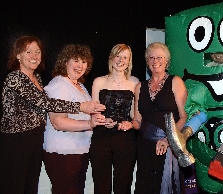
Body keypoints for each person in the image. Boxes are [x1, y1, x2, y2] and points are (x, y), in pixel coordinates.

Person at [0, 35, 105, 194]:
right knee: (14, 186)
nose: (34, 56)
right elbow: (47, 104)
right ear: (17, 55)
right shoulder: (15, 78)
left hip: (35, 138)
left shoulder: (37, 79)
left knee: (30, 187)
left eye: (38, 52)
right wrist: (81, 107)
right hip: (17, 139)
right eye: (29, 52)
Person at [43, 44, 105, 194]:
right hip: (62, 152)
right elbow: (58, 122)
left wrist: (99, 119)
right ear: (65, 62)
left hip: (79, 150)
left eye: (84, 62)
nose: (80, 65)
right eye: (75, 60)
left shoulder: (80, 86)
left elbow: (85, 112)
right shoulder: (59, 85)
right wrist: (89, 123)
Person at [132, 42, 187, 194]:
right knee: (146, 186)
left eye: (159, 57)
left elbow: (183, 117)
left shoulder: (175, 82)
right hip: (145, 147)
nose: (155, 61)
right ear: (147, 61)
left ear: (166, 61)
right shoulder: (139, 87)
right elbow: (137, 121)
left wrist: (170, 139)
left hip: (167, 145)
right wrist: (127, 124)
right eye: (151, 57)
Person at [90, 44, 139, 194]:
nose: (120, 60)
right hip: (101, 137)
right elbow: (94, 112)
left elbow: (135, 115)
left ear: (129, 61)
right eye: (118, 55)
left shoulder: (135, 82)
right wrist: (102, 120)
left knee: (123, 184)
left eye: (125, 57)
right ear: (111, 58)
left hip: (125, 138)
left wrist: (129, 124)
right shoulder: (98, 81)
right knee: (101, 184)